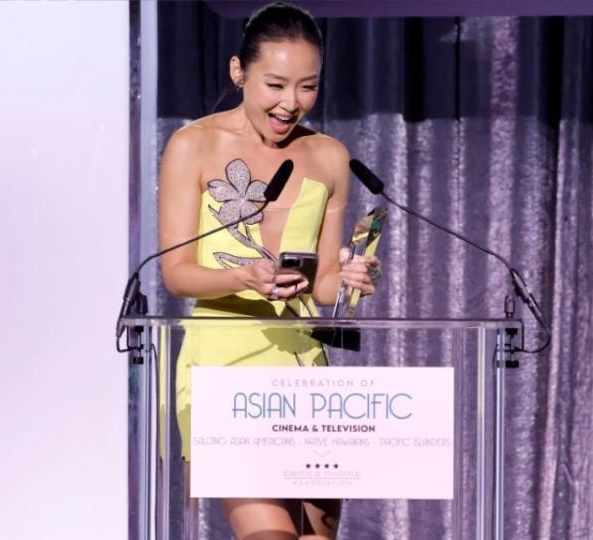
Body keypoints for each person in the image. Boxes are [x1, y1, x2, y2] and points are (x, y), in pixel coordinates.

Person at [158, 3, 379, 539]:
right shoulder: (195, 146)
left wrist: (347, 278)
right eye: (276, 84)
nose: (291, 103)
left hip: (304, 370)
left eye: (307, 87)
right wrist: (242, 277)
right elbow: (177, 273)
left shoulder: (328, 156)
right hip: (225, 371)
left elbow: (321, 285)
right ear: (239, 72)